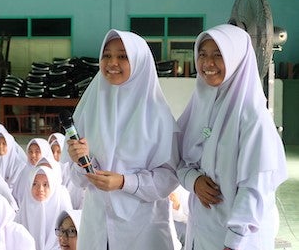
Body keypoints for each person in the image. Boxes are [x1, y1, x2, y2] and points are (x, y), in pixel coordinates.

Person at [64, 29, 179, 249]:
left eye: (123, 56)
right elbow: (78, 180)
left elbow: (169, 178)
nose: (112, 62)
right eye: (106, 55)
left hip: (141, 229)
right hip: (98, 226)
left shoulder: (157, 115)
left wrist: (124, 182)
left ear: (139, 62)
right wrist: (81, 162)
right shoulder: (92, 108)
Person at [176, 24, 288, 249]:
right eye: (203, 54)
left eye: (218, 55)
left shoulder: (253, 116)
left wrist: (235, 241)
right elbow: (179, 159)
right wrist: (193, 180)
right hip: (202, 229)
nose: (208, 63)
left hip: (238, 238)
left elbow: (255, 187)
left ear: (237, 58)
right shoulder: (200, 104)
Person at [16, 166, 72, 250]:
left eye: (45, 184)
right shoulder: (22, 214)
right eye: (34, 184)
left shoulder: (62, 212)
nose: (40, 189)